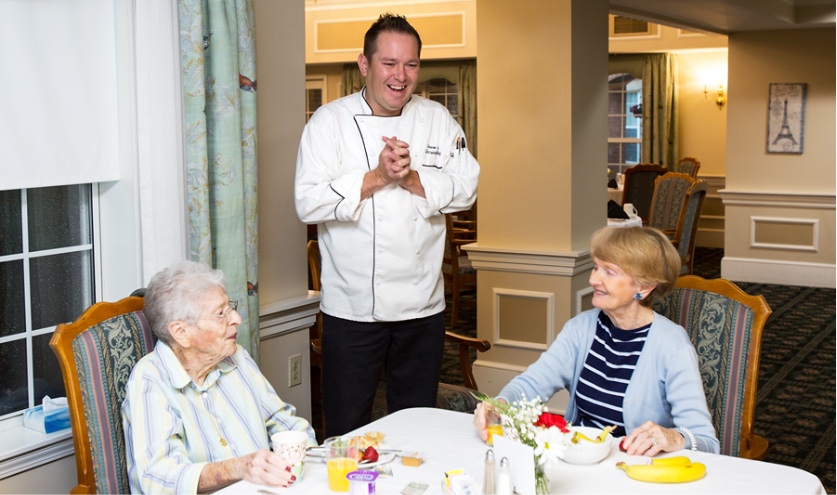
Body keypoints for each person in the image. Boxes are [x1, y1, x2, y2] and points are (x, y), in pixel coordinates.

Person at [295, 13, 479, 437]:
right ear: (364, 64)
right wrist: (378, 177)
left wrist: (412, 178)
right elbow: (307, 202)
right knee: (347, 425)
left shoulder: (437, 119)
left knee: (417, 425)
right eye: (389, 63)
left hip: (422, 307)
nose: (401, 76)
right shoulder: (329, 122)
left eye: (411, 64)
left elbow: (466, 188)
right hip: (353, 308)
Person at [473, 227, 720, 455]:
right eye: (595, 267)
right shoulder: (581, 328)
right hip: (580, 460)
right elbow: (532, 384)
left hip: (637, 471)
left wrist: (674, 438)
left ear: (643, 287)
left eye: (609, 272)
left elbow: (705, 441)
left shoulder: (671, 345)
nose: (593, 280)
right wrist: (500, 406)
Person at [122, 261, 316, 494]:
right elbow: (159, 476)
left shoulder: (236, 357)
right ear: (181, 332)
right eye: (221, 314)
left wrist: (314, 461)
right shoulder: (150, 379)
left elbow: (283, 420)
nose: (237, 318)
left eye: (230, 307)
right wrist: (238, 468)